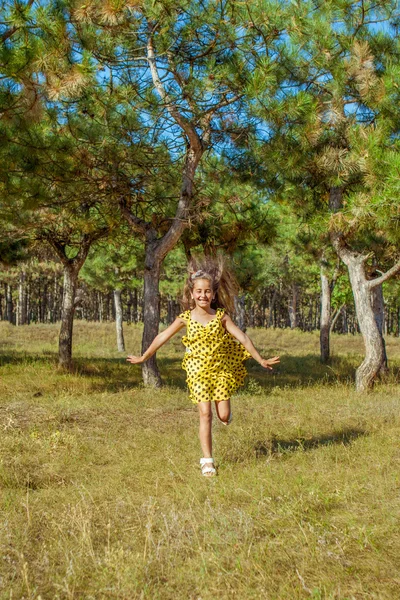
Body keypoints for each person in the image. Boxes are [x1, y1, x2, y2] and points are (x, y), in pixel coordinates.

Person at [127, 256, 280, 477]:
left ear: (213, 294)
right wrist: (145, 357)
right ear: (192, 294)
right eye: (198, 291)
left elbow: (243, 338)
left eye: (207, 291)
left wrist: (260, 359)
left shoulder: (221, 317)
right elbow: (162, 336)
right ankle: (207, 461)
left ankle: (226, 416)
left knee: (224, 416)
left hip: (220, 371)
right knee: (205, 414)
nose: (203, 295)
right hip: (197, 372)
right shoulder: (185, 318)